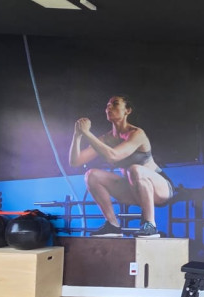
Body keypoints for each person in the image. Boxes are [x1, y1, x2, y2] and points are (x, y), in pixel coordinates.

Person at [69, 95, 173, 238]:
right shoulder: (106, 139)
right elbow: (75, 162)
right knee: (91, 175)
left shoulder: (137, 133)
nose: (109, 107)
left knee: (134, 169)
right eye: (107, 105)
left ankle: (150, 225)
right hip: (133, 188)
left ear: (127, 111)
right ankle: (112, 225)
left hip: (160, 188)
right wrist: (77, 135)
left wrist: (87, 133)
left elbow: (113, 156)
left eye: (115, 104)